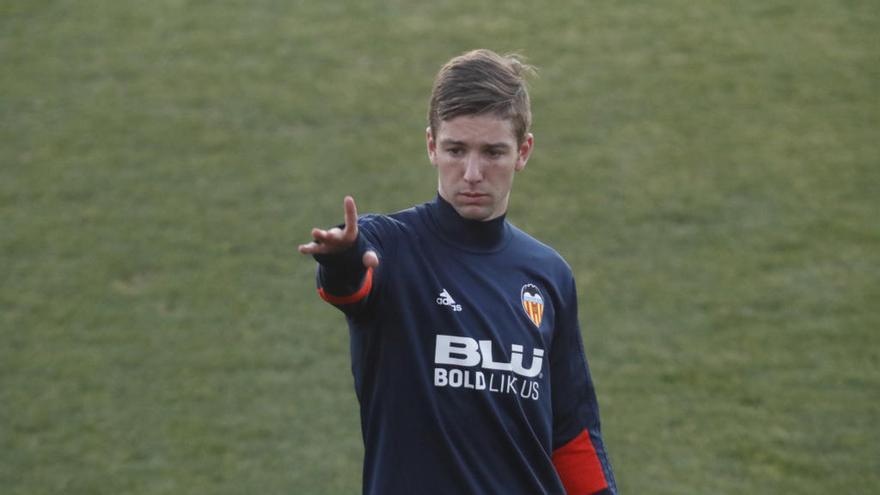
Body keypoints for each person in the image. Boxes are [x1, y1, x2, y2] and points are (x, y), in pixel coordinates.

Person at [298, 49, 617, 495]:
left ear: (523, 152)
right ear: (431, 145)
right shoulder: (389, 246)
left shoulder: (548, 275)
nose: (471, 173)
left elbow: (572, 434)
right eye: (455, 150)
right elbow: (352, 285)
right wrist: (342, 260)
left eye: (492, 153)